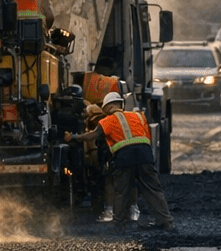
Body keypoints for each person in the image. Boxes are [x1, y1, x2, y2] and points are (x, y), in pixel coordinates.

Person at [66, 92, 172, 230]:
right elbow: (146, 135)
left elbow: (93, 135)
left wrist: (73, 137)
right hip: (145, 155)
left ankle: (119, 224)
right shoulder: (138, 116)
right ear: (121, 104)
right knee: (153, 189)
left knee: (121, 191)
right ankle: (165, 221)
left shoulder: (107, 121)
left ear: (107, 107)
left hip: (124, 157)